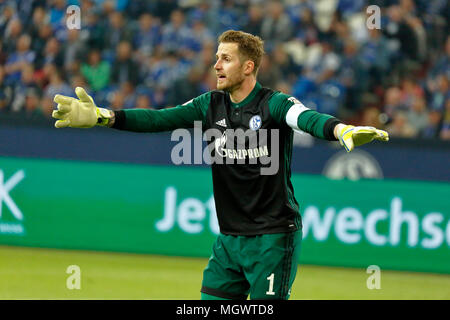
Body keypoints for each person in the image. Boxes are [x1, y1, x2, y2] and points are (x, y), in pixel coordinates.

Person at [51, 30, 389, 300]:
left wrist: (340, 129)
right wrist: (101, 116)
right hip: (229, 241)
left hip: (273, 239)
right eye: (216, 58)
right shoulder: (208, 104)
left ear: (248, 67)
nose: (216, 65)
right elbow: (158, 119)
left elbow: (306, 119)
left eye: (225, 59)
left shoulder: (274, 103)